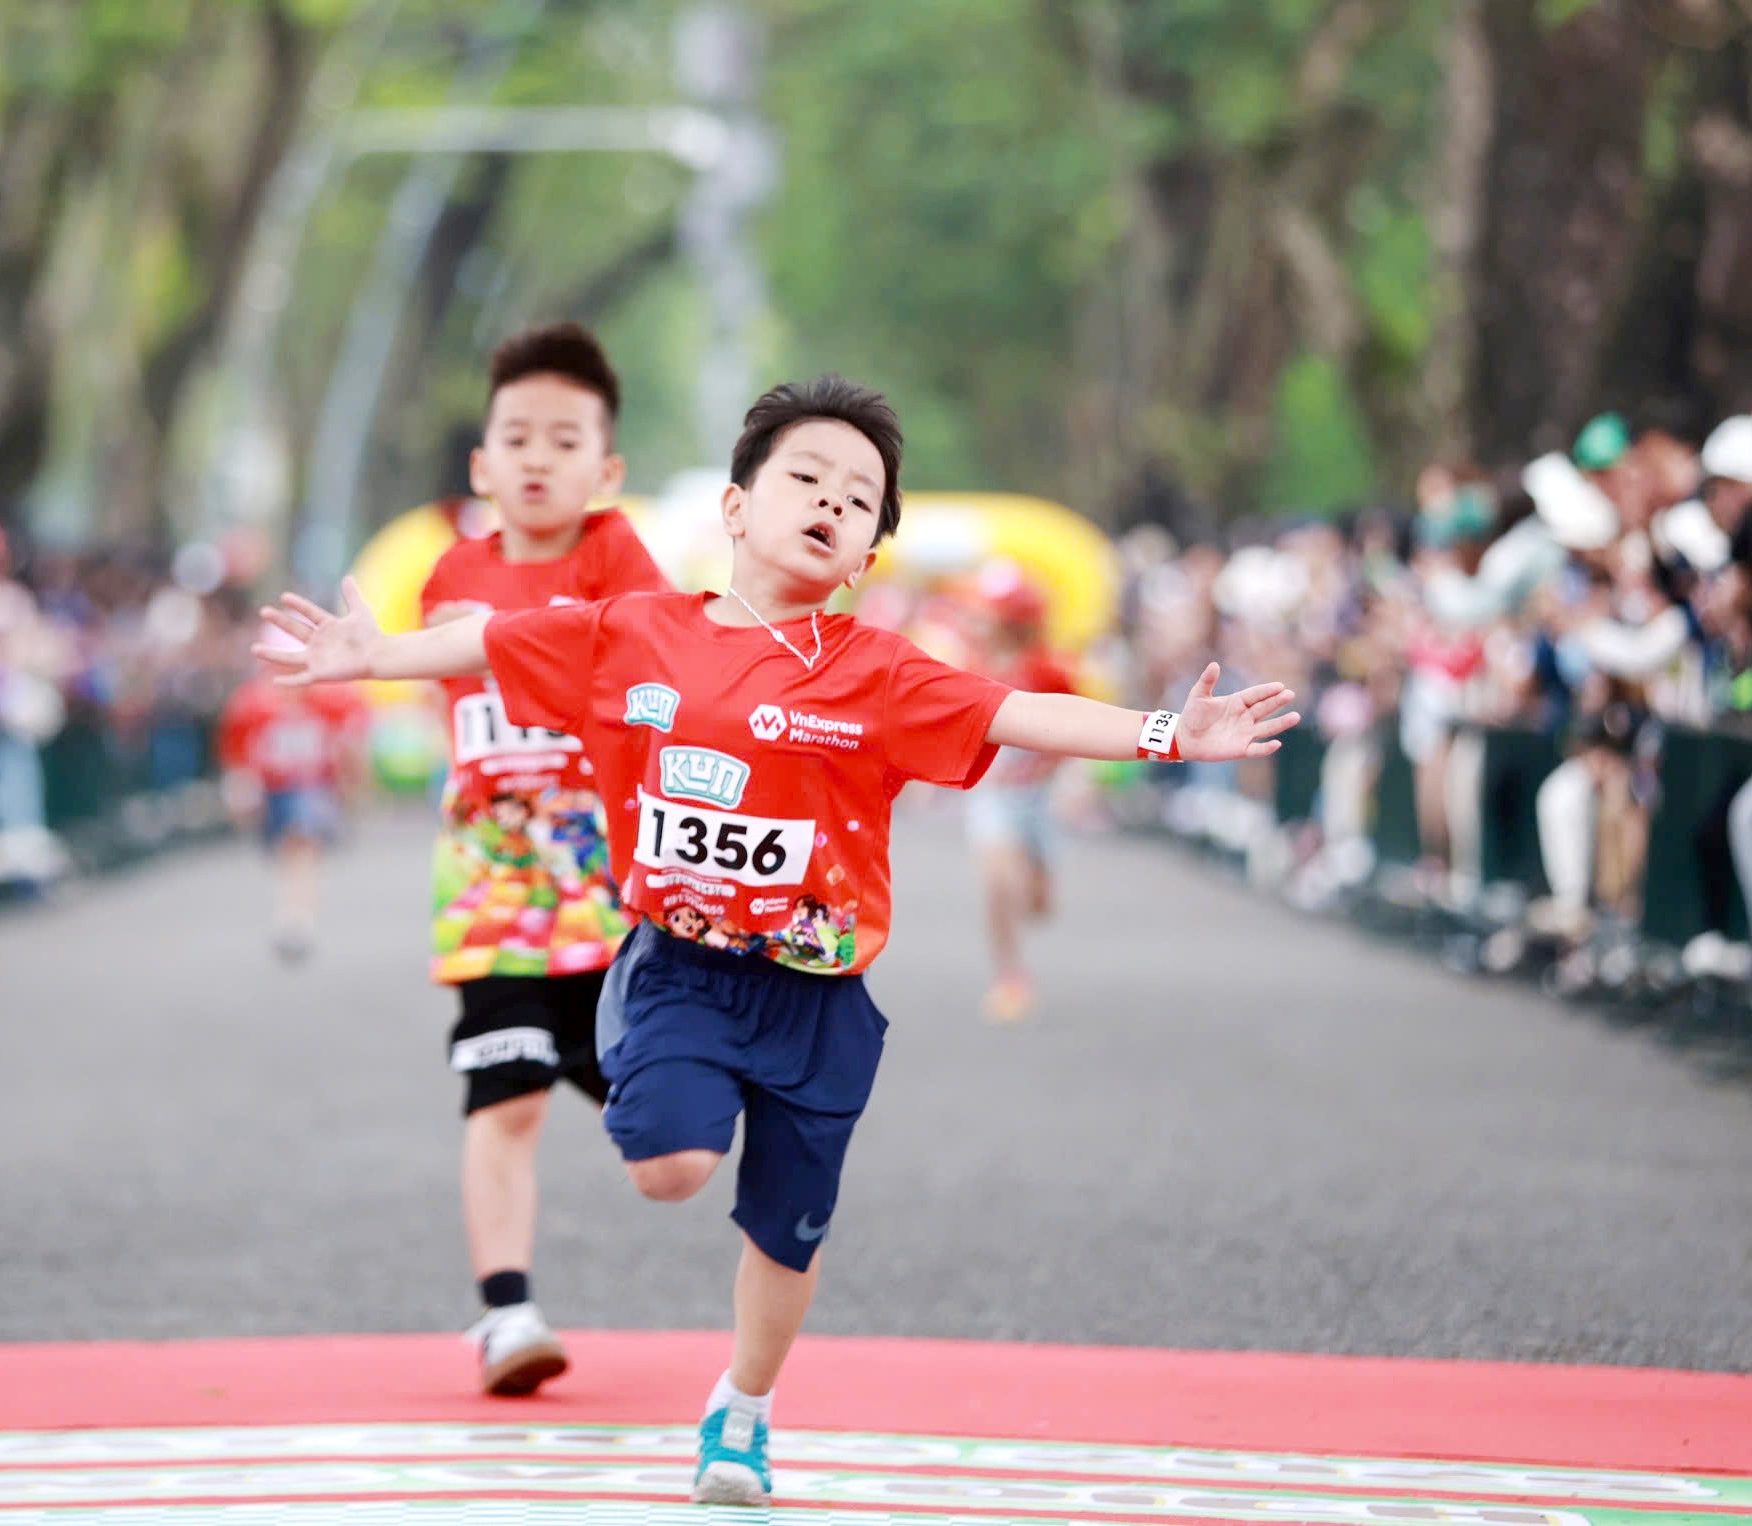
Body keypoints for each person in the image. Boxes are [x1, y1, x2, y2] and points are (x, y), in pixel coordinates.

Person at [255, 374, 1297, 1506]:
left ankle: (741, 1411)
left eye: (858, 501)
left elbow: (1013, 713)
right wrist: (366, 657)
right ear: (738, 509)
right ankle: (645, 1061)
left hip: (819, 995)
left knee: (787, 1234)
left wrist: (1166, 732)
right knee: (668, 1165)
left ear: (863, 557)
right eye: (805, 476)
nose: (829, 502)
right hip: (680, 968)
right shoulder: (634, 634)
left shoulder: (882, 674)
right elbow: (488, 642)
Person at [412, 322, 671, 1395]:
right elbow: (444, 676)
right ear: (481, 464)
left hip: (612, 894)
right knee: (502, 1101)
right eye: (514, 436)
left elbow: (645, 647)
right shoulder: (450, 571)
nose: (534, 457)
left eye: (562, 440)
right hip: (494, 888)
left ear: (604, 468)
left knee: (664, 1143)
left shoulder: (616, 555)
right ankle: (505, 1312)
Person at [959, 561, 1077, 1022]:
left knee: (1037, 901)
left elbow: (1077, 726)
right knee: (998, 881)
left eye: (984, 612)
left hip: (1037, 799)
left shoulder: (1048, 671)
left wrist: (1047, 768)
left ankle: (1036, 887)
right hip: (992, 796)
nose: (975, 620)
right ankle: (1010, 975)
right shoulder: (974, 666)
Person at [216, 641, 370, 962]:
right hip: (274, 791)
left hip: (314, 788)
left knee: (302, 844)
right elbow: (236, 754)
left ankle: (296, 917)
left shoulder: (332, 699)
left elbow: (352, 747)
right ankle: (295, 907)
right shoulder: (251, 704)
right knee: (287, 852)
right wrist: (240, 791)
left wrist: (352, 786)